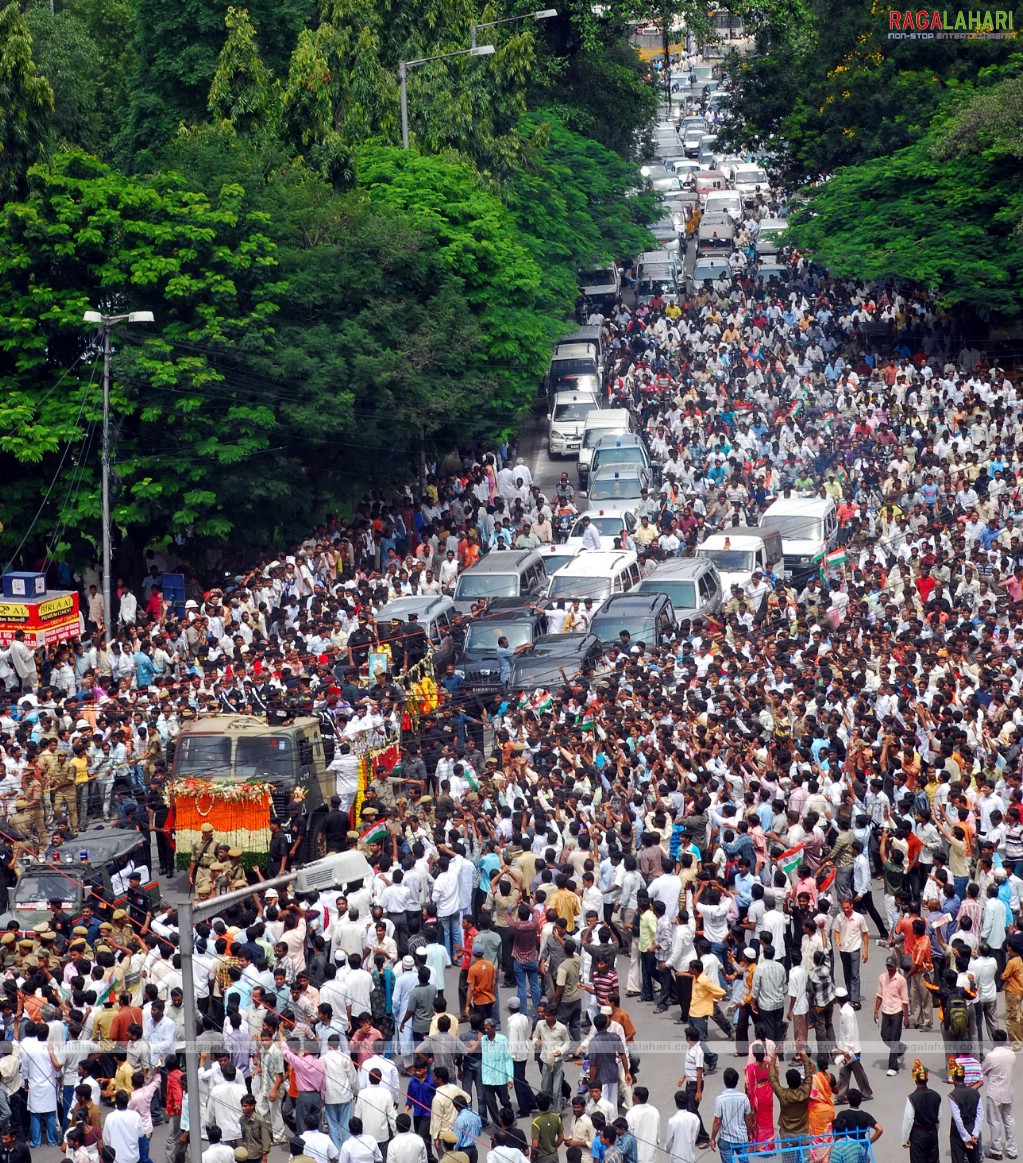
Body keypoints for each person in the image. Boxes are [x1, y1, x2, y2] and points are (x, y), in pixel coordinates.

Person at [980, 1029, 1016, 1161]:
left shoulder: (991, 1056)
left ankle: (996, 1150)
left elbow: (983, 1070)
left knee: (994, 1122)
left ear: (994, 1040)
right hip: (1008, 1091)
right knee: (1009, 1120)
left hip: (994, 1092)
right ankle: (1012, 1149)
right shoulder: (1011, 1054)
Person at [833, 988, 872, 1103]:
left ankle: (865, 1092)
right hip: (846, 1049)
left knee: (857, 1072)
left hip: (851, 1050)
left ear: (837, 999)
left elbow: (850, 1032)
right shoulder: (845, 1011)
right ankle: (842, 1095)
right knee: (844, 1071)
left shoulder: (847, 1013)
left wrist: (847, 1049)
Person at [873, 953, 909, 1076]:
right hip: (886, 1010)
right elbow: (879, 995)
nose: (889, 968)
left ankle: (893, 1066)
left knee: (894, 1039)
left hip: (897, 1011)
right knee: (885, 1036)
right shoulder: (882, 978)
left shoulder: (901, 980)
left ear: (896, 966)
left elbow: (904, 1000)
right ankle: (900, 1049)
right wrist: (875, 1011)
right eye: (887, 966)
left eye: (891, 966)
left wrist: (906, 1018)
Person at [709, 1068, 752, 1163]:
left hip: (725, 1139)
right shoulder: (744, 1098)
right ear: (737, 1081)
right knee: (744, 1161)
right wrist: (749, 1133)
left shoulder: (720, 1099)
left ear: (724, 1081)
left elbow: (717, 1121)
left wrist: (712, 1138)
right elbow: (748, 1118)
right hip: (741, 1137)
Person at [768, 1050, 813, 1138]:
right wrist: (804, 1055)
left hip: (787, 1133)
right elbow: (809, 1074)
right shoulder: (805, 1092)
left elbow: (772, 1078)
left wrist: (774, 1057)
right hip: (803, 1131)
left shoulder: (783, 1094)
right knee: (804, 1152)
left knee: (788, 1152)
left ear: (788, 1082)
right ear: (800, 1081)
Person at [948, 1058, 984, 1163]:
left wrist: (966, 1137)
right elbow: (980, 1113)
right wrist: (975, 1134)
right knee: (974, 1159)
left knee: (958, 1159)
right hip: (972, 1127)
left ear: (954, 1078)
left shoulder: (952, 1096)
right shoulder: (975, 1092)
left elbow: (957, 1118)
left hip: (958, 1131)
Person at [743, 1043, 774, 1146]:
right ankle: (769, 1144)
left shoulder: (751, 1068)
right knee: (768, 1120)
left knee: (758, 1121)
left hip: (758, 1097)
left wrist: (750, 1105)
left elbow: (750, 1087)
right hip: (768, 1094)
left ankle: (760, 1145)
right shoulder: (768, 1064)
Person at [663, 1090, 700, 1163]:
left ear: (676, 1104)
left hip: (676, 1157)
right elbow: (695, 1135)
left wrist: (667, 1149)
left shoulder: (672, 1121)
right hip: (690, 1155)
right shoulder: (694, 1118)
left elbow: (669, 1140)